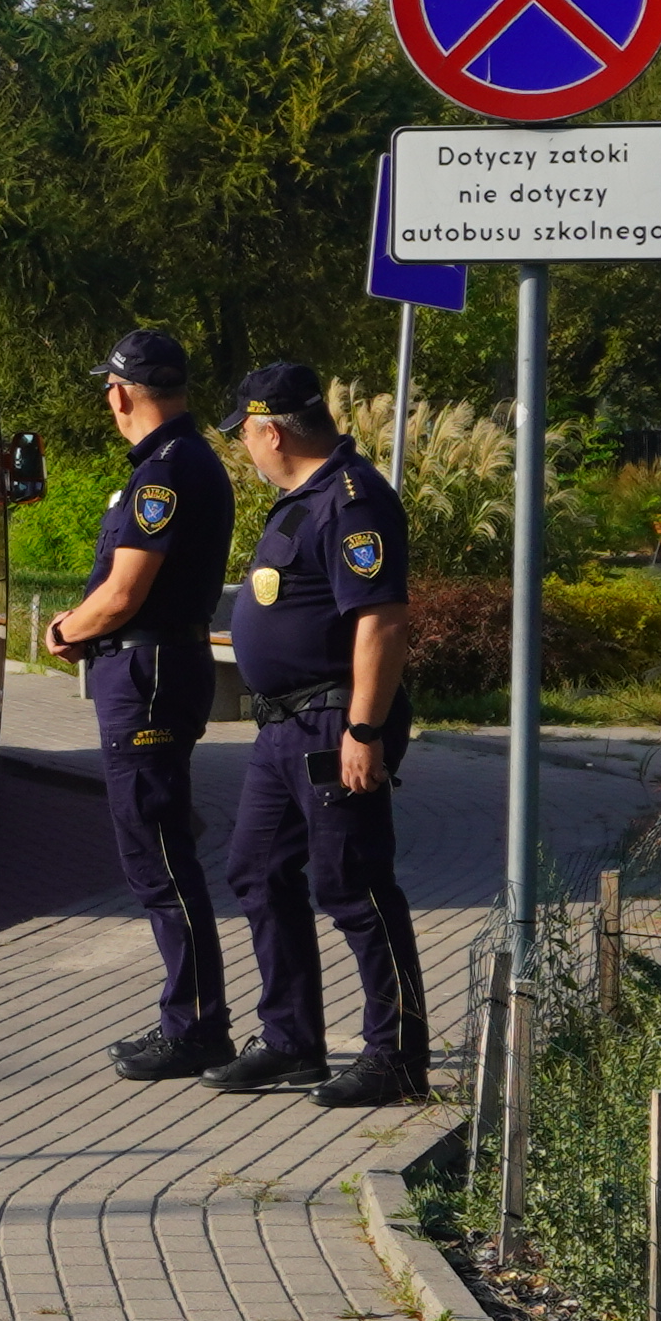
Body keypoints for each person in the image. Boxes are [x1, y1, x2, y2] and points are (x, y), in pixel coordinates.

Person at [206, 358, 429, 1106]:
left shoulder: (352, 501)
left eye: (244, 433)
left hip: (335, 721)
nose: (245, 446)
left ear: (269, 431)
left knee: (354, 886)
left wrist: (364, 729)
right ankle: (290, 1041)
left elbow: (382, 620)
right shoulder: (304, 496)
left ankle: (395, 1055)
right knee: (257, 872)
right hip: (283, 729)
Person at [38, 327, 233, 1079]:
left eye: (107, 390)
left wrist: (64, 628)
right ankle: (191, 1018)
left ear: (121, 393)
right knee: (158, 849)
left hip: (146, 669)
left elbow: (123, 592)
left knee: (156, 856)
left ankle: (193, 1026)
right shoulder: (184, 461)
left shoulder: (164, 472)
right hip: (157, 664)